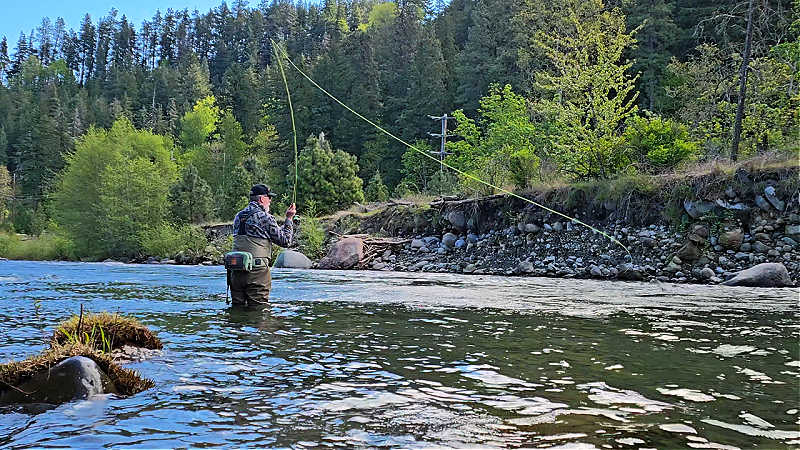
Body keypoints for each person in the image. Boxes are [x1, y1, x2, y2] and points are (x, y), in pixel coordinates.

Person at [228, 184, 296, 307]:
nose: (270, 201)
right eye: (269, 197)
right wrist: (289, 219)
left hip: (236, 272)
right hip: (256, 273)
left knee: (237, 308)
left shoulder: (238, 216)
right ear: (262, 199)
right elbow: (285, 241)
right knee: (258, 311)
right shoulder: (265, 217)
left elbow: (260, 233)